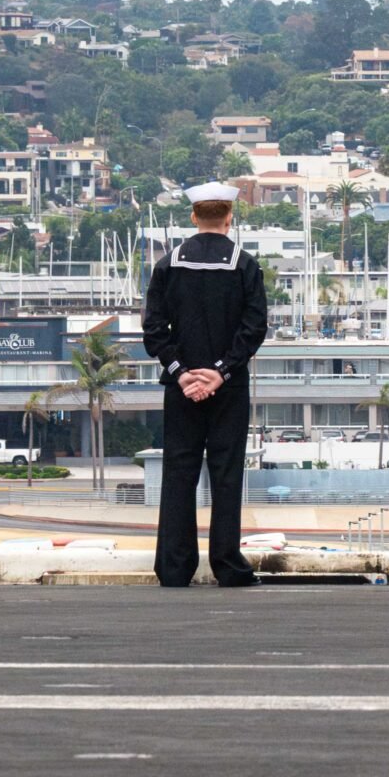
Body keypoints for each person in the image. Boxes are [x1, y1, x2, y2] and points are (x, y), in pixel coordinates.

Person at [142, 182, 269, 588]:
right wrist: (221, 371)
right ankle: (228, 565)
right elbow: (254, 329)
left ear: (194, 217)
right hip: (228, 388)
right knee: (226, 474)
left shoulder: (167, 265)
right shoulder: (245, 265)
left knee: (179, 473)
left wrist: (182, 373)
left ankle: (174, 568)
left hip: (181, 388)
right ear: (230, 218)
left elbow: (154, 330)